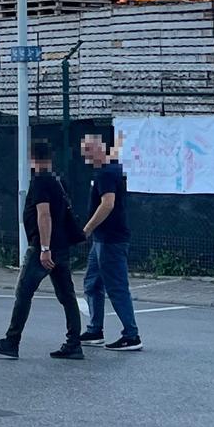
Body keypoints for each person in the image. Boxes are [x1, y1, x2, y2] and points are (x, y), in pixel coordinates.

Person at [0, 139, 85, 360]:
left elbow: (44, 214)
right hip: (62, 247)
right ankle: (74, 343)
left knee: (23, 292)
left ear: (33, 158)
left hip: (44, 248)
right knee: (67, 295)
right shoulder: (59, 182)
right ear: (49, 157)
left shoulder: (40, 182)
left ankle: (12, 341)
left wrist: (44, 248)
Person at [79, 133, 142, 351]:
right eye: (84, 151)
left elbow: (108, 204)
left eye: (88, 150)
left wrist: (87, 229)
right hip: (103, 239)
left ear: (99, 149)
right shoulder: (109, 169)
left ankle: (131, 335)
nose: (85, 156)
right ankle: (95, 330)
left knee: (116, 286)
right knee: (92, 283)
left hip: (110, 240)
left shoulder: (106, 173)